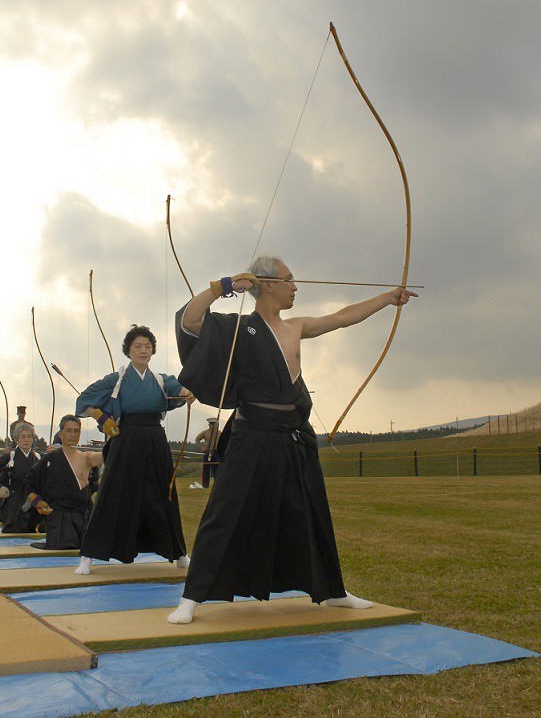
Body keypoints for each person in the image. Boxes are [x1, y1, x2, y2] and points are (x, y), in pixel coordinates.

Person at [167, 256, 417, 624]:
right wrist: (223, 286)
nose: (295, 287)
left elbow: (341, 317)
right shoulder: (236, 328)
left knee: (313, 511)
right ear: (266, 284)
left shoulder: (295, 326)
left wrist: (387, 298)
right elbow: (189, 320)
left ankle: (333, 590)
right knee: (225, 510)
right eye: (289, 280)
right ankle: (191, 598)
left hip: (295, 435)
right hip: (253, 433)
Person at [74, 325, 194, 575]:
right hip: (125, 438)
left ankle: (179, 552)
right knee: (112, 492)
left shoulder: (160, 379)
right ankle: (88, 554)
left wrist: (186, 392)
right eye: (137, 346)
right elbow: (84, 399)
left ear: (153, 351)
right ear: (128, 351)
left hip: (154, 439)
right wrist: (101, 416)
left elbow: (178, 389)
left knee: (164, 493)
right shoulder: (116, 379)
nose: (143, 351)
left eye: (148, 346)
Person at [23, 415, 102, 550]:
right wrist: (36, 501)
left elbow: (109, 454)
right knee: (62, 547)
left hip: (83, 517)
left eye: (76, 431)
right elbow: (28, 481)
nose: (72, 434)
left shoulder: (87, 457)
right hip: (59, 518)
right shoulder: (50, 459)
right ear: (60, 434)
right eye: (69, 431)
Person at [0, 423, 41, 533]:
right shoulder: (10, 457)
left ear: (33, 439)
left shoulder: (38, 457)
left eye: (29, 436)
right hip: (15, 503)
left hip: (33, 501)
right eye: (23, 437)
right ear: (17, 440)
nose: (26, 440)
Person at [194, 417, 221, 488]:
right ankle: (205, 485)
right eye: (211, 424)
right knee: (206, 469)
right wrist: (201, 448)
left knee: (217, 469)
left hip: (216, 451)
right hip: (207, 451)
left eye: (213, 424)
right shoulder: (205, 432)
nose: (212, 425)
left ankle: (217, 485)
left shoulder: (219, 433)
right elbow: (197, 439)